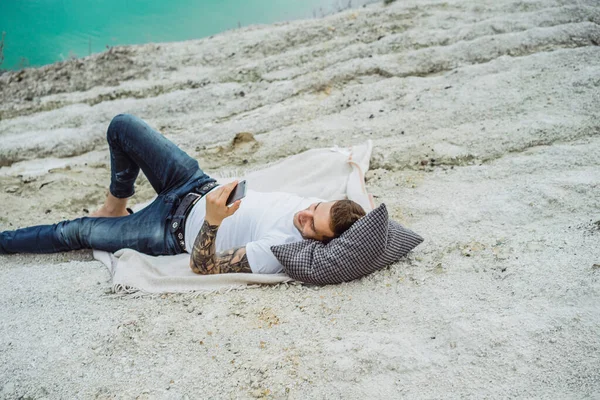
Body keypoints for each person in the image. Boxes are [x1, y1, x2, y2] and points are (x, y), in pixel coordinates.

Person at [0, 114, 366, 275]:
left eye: (310, 226)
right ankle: (115, 205)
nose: (304, 215)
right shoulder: (327, 210)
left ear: (320, 243)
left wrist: (212, 221)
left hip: (166, 229)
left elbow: (201, 266)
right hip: (193, 181)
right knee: (122, 126)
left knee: (74, 231)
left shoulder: (278, 250)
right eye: (313, 208)